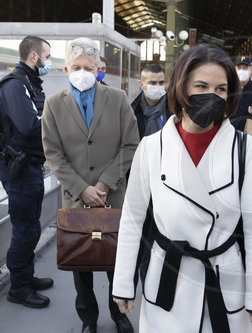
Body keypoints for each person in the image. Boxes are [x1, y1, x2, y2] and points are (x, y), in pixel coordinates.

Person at [112, 44, 252, 332]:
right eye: (201, 85)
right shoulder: (152, 147)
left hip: (224, 281)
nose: (211, 96)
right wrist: (124, 283)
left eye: (221, 89)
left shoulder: (244, 148)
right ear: (181, 87)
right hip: (167, 279)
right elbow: (132, 219)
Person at [41, 37, 139, 333]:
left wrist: (106, 183)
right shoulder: (54, 104)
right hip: (76, 198)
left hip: (114, 196)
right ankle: (88, 318)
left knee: (116, 261)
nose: (82, 72)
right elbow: (53, 152)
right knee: (80, 263)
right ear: (67, 67)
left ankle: (119, 313)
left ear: (99, 69)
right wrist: (82, 188)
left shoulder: (118, 99)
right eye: (76, 67)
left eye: (89, 67)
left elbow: (131, 144)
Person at [0, 35, 53, 309]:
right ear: (35, 56)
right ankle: (18, 286)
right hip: (18, 169)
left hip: (31, 166)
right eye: (47, 55)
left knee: (32, 226)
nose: (48, 62)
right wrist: (56, 123)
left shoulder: (29, 84)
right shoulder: (14, 86)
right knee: (24, 228)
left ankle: (26, 276)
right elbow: (28, 126)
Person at [131, 63, 171, 139]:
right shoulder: (133, 110)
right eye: (153, 83)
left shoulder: (174, 108)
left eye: (161, 82)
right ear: (141, 84)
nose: (158, 86)